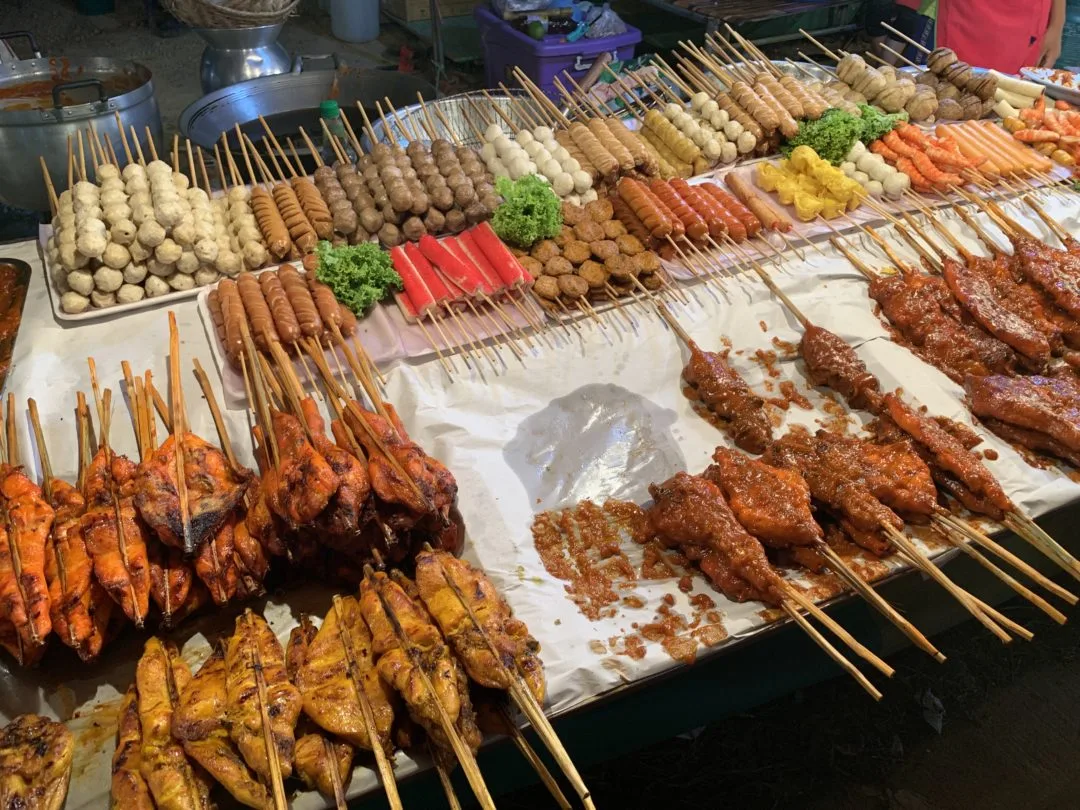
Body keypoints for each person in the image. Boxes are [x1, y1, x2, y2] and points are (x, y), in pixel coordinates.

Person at [936, 0, 1065, 72]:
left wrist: (1057, 24)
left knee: (1019, 107)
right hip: (967, 12)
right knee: (954, 92)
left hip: (1027, 15)